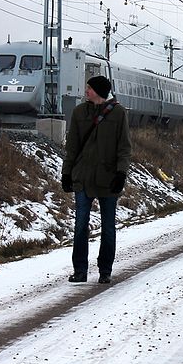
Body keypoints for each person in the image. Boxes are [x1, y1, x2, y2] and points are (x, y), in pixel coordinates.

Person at [62, 75, 131, 284]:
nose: (86, 91)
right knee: (80, 225)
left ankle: (105, 270)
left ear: (99, 91)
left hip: (108, 179)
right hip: (82, 177)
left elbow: (124, 148)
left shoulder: (118, 114)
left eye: (89, 88)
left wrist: (121, 173)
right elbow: (72, 146)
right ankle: (80, 270)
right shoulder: (79, 113)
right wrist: (66, 173)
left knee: (108, 227)